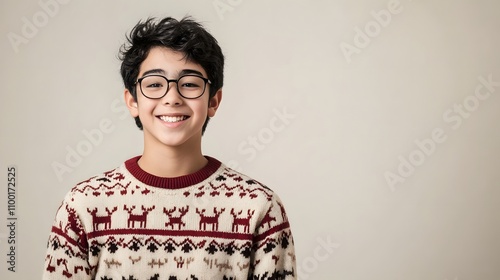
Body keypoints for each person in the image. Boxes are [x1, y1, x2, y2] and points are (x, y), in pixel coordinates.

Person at [43, 16, 296, 279]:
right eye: (154, 84)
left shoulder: (259, 208)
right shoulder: (83, 206)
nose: (172, 98)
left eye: (189, 84)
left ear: (213, 101)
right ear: (132, 102)